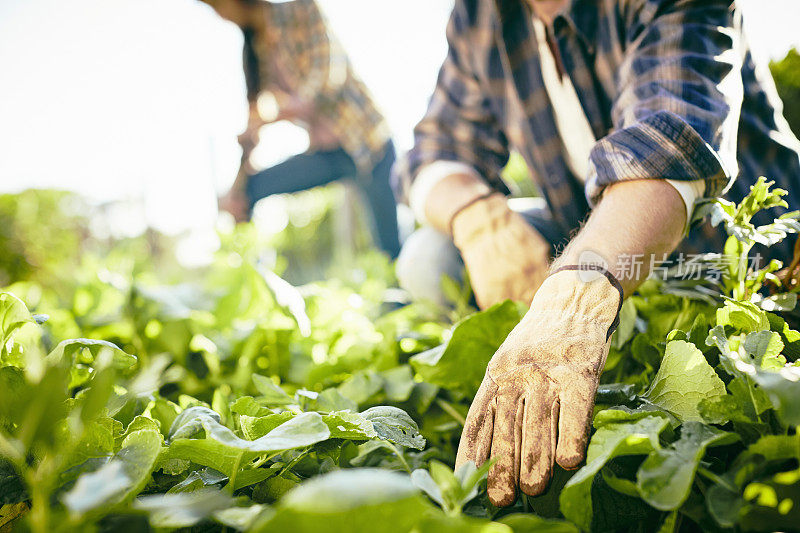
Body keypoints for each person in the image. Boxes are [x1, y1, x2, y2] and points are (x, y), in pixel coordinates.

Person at [393, 0, 800, 507]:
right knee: (429, 256)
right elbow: (432, 153)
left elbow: (670, 144)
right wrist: (479, 220)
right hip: (601, 239)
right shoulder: (483, 14)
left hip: (732, 254)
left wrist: (574, 295)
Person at [206, 0, 401, 258]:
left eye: (216, 5)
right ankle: (251, 275)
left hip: (367, 143)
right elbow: (252, 130)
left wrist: (277, 115)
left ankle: (399, 295)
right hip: (327, 153)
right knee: (251, 189)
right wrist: (236, 187)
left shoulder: (301, 9)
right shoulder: (255, 51)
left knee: (388, 249)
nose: (219, 14)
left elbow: (329, 74)